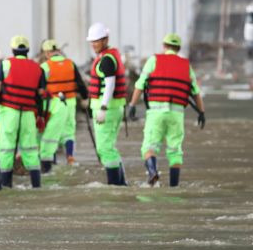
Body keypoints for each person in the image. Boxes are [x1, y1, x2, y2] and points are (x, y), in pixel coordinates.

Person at [127, 33, 206, 186]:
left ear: (164, 46)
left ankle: (153, 173)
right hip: (176, 114)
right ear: (178, 48)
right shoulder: (186, 65)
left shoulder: (154, 60)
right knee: (175, 151)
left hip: (156, 113)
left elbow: (139, 85)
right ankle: (174, 188)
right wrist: (202, 112)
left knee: (149, 147)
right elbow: (196, 93)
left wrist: (132, 105)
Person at [0, 35, 43, 188]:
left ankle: (5, 187)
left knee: (6, 148)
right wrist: (40, 115)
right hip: (28, 113)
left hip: (9, 111)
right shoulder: (37, 67)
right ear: (27, 50)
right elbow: (40, 95)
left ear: (13, 50)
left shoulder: (5, 64)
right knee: (31, 150)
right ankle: (36, 186)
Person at [86, 23, 128, 185]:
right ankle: (122, 183)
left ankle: (115, 185)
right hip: (113, 108)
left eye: (96, 41)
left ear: (105, 40)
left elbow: (110, 84)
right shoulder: (109, 56)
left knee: (104, 149)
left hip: (108, 110)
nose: (93, 44)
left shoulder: (106, 60)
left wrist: (103, 108)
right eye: (92, 41)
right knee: (109, 148)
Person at [38, 39, 89, 172]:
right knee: (68, 131)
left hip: (54, 104)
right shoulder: (70, 64)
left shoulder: (45, 67)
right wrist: (85, 98)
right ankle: (70, 157)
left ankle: (49, 165)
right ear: (58, 50)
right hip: (71, 103)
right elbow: (80, 84)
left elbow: (40, 89)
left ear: (48, 53)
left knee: (50, 134)